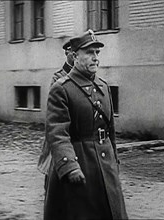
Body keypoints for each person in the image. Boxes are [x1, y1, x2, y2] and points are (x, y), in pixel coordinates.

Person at [43, 29, 128, 220]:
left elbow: (110, 131)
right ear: (74, 56)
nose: (95, 58)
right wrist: (70, 166)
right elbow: (57, 132)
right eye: (89, 53)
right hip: (79, 164)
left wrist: (114, 161)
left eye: (97, 53)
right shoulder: (62, 88)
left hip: (104, 167)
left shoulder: (104, 87)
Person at [37, 39, 75, 189]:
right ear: (66, 53)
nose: (74, 55)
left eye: (76, 52)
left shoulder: (84, 76)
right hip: (60, 129)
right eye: (72, 52)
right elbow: (55, 108)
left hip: (75, 132)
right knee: (54, 166)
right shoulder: (58, 77)